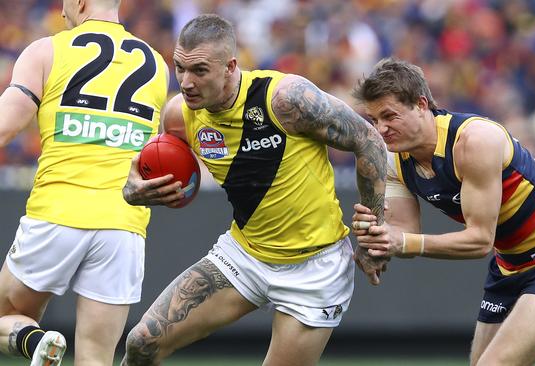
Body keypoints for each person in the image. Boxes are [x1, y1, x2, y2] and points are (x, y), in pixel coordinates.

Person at [120, 14, 387, 366]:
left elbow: (369, 141)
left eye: (199, 70)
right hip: (243, 257)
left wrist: (370, 234)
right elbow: (151, 163)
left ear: (231, 66)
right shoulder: (179, 115)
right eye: (179, 68)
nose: (185, 82)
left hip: (314, 269)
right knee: (141, 343)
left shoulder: (286, 99)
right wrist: (133, 189)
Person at [350, 58, 535, 366]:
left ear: (421, 104)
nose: (381, 129)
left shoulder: (474, 141)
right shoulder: (393, 160)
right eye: (374, 119)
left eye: (389, 116)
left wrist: (399, 242)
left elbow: (479, 241)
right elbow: (404, 234)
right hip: (508, 266)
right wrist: (376, 240)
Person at [0, 0, 169, 365]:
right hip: (123, 227)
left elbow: (5, 126)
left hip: (57, 211)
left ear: (79, 2)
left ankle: (32, 342)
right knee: (96, 357)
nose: (62, 13)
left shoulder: (47, 50)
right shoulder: (156, 64)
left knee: (5, 318)